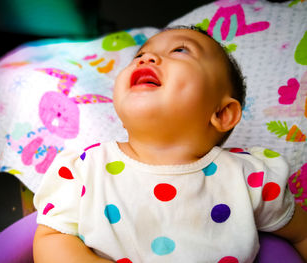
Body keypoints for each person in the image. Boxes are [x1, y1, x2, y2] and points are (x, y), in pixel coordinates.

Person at [33, 26, 307, 262]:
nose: (147, 58)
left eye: (180, 51)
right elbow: (51, 238)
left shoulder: (250, 180)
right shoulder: (84, 170)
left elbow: (302, 233)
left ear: (222, 113)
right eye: (139, 55)